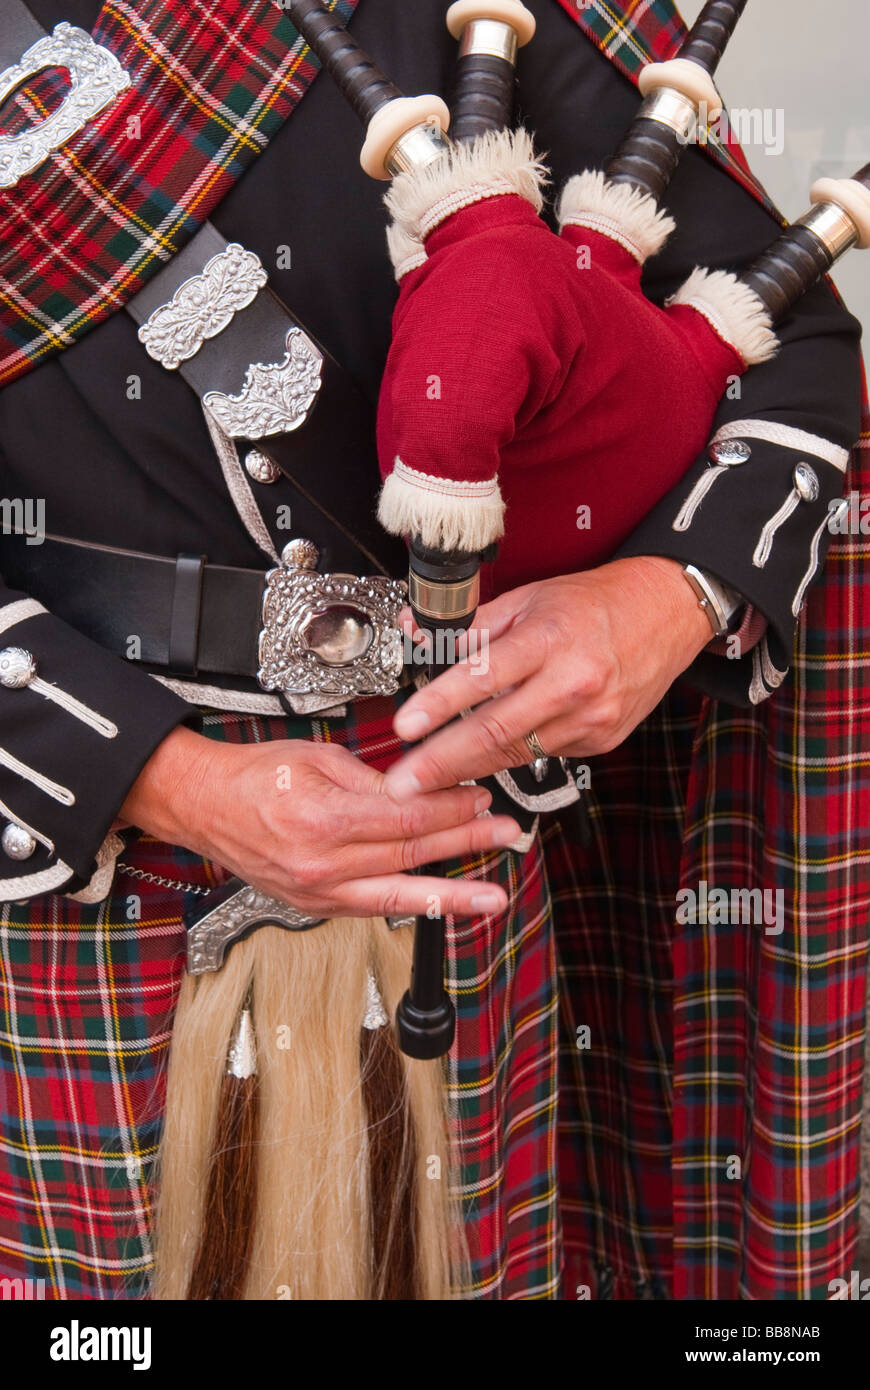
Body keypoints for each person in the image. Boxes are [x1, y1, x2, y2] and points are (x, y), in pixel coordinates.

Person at [0, 0, 863, 1299]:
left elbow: (781, 342)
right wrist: (164, 777)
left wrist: (662, 597)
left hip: (458, 834)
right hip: (73, 871)